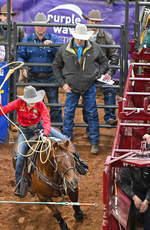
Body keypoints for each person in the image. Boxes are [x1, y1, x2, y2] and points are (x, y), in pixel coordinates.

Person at [0, 86, 88, 197]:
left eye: (33, 101)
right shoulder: (18, 102)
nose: (32, 104)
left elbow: (46, 121)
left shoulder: (40, 104)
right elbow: (1, 112)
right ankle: (19, 183)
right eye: (29, 102)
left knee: (64, 139)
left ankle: (78, 162)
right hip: (25, 132)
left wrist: (45, 134)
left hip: (41, 128)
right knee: (19, 156)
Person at [53, 23, 109, 155]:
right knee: (69, 114)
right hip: (71, 86)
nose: (79, 40)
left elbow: (104, 62)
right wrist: (63, 84)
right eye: (78, 37)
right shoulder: (64, 49)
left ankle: (94, 142)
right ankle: (67, 141)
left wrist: (97, 74)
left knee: (92, 114)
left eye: (82, 38)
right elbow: (56, 66)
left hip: (88, 85)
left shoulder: (94, 48)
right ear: (74, 36)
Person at [17, 13, 63, 127]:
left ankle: (56, 128)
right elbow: (20, 56)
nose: (40, 27)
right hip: (33, 76)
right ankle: (37, 127)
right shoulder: (27, 39)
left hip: (51, 76)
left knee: (54, 104)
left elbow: (62, 55)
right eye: (38, 25)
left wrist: (53, 46)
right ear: (34, 26)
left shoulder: (54, 39)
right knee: (35, 105)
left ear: (46, 26)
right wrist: (23, 67)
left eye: (42, 25)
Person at [83, 9, 119, 126]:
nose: (94, 24)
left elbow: (114, 56)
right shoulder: (82, 36)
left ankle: (110, 117)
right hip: (86, 73)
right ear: (87, 21)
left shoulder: (107, 37)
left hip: (101, 72)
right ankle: (89, 122)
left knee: (110, 89)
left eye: (96, 22)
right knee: (86, 94)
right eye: (92, 21)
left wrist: (109, 73)